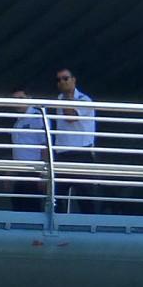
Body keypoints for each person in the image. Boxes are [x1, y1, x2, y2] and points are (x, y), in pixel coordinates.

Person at [48, 67, 97, 212]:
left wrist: (68, 95)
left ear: (73, 80)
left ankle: (90, 222)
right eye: (58, 80)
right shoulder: (59, 99)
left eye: (65, 79)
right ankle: (58, 222)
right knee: (57, 195)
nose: (62, 82)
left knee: (85, 195)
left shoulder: (84, 100)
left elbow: (70, 117)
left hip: (81, 153)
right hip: (62, 153)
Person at [8, 90, 47, 212]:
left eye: (21, 98)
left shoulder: (37, 117)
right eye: (14, 100)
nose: (17, 102)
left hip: (34, 169)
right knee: (17, 203)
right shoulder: (18, 122)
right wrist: (11, 171)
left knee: (32, 206)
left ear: (29, 98)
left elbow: (45, 145)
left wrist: (44, 174)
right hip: (20, 170)